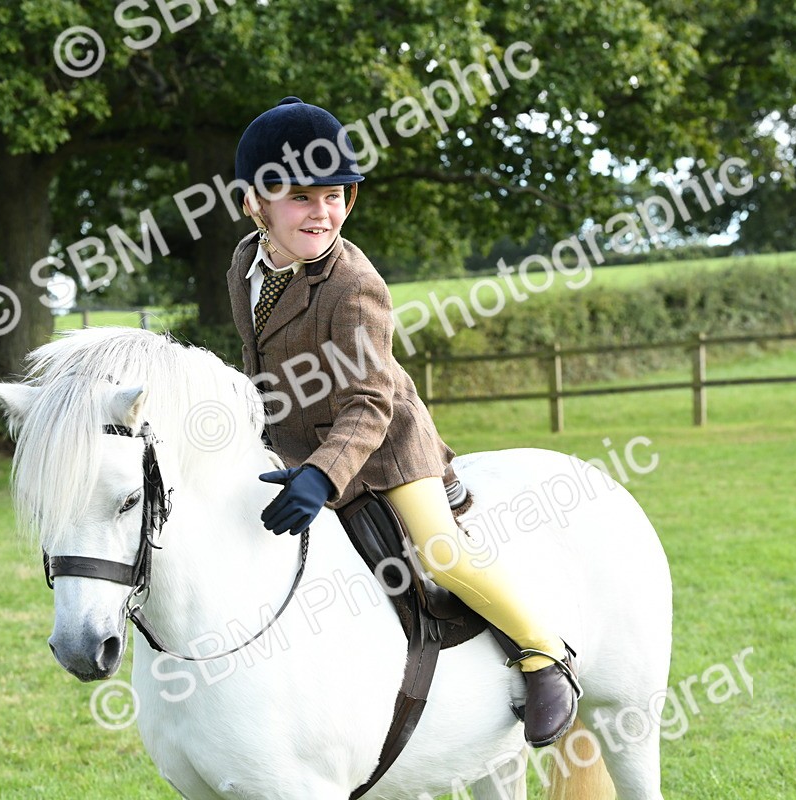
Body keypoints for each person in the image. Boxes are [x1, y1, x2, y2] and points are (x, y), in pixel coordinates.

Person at [226, 96, 580, 747]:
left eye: (335, 195)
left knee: (440, 555)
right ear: (254, 202)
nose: (322, 211)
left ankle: (544, 651)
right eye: (301, 197)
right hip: (298, 446)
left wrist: (321, 477)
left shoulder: (351, 285)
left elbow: (368, 402)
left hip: (385, 448)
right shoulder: (246, 265)